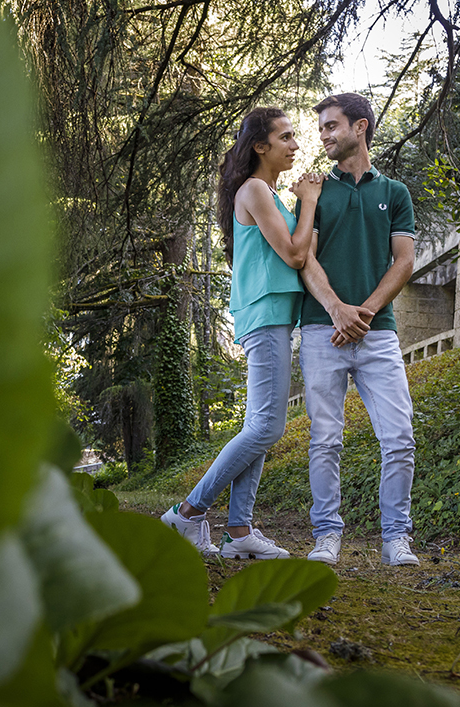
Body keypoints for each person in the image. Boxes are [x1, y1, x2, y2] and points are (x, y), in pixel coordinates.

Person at [161, 107, 322, 559]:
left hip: (273, 314)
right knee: (267, 427)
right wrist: (308, 200)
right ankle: (188, 513)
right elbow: (293, 254)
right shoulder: (254, 189)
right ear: (260, 146)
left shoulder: (267, 192)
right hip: (265, 313)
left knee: (261, 426)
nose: (296, 145)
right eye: (286, 137)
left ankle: (238, 530)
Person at [296, 93, 420, 567]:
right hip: (320, 332)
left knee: (400, 437)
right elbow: (303, 258)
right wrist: (336, 311)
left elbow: (404, 260)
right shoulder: (315, 192)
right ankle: (327, 534)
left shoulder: (395, 193)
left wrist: (362, 312)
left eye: (331, 126)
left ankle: (396, 538)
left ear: (360, 127)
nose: (323, 135)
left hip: (379, 334)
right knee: (325, 439)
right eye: (322, 128)